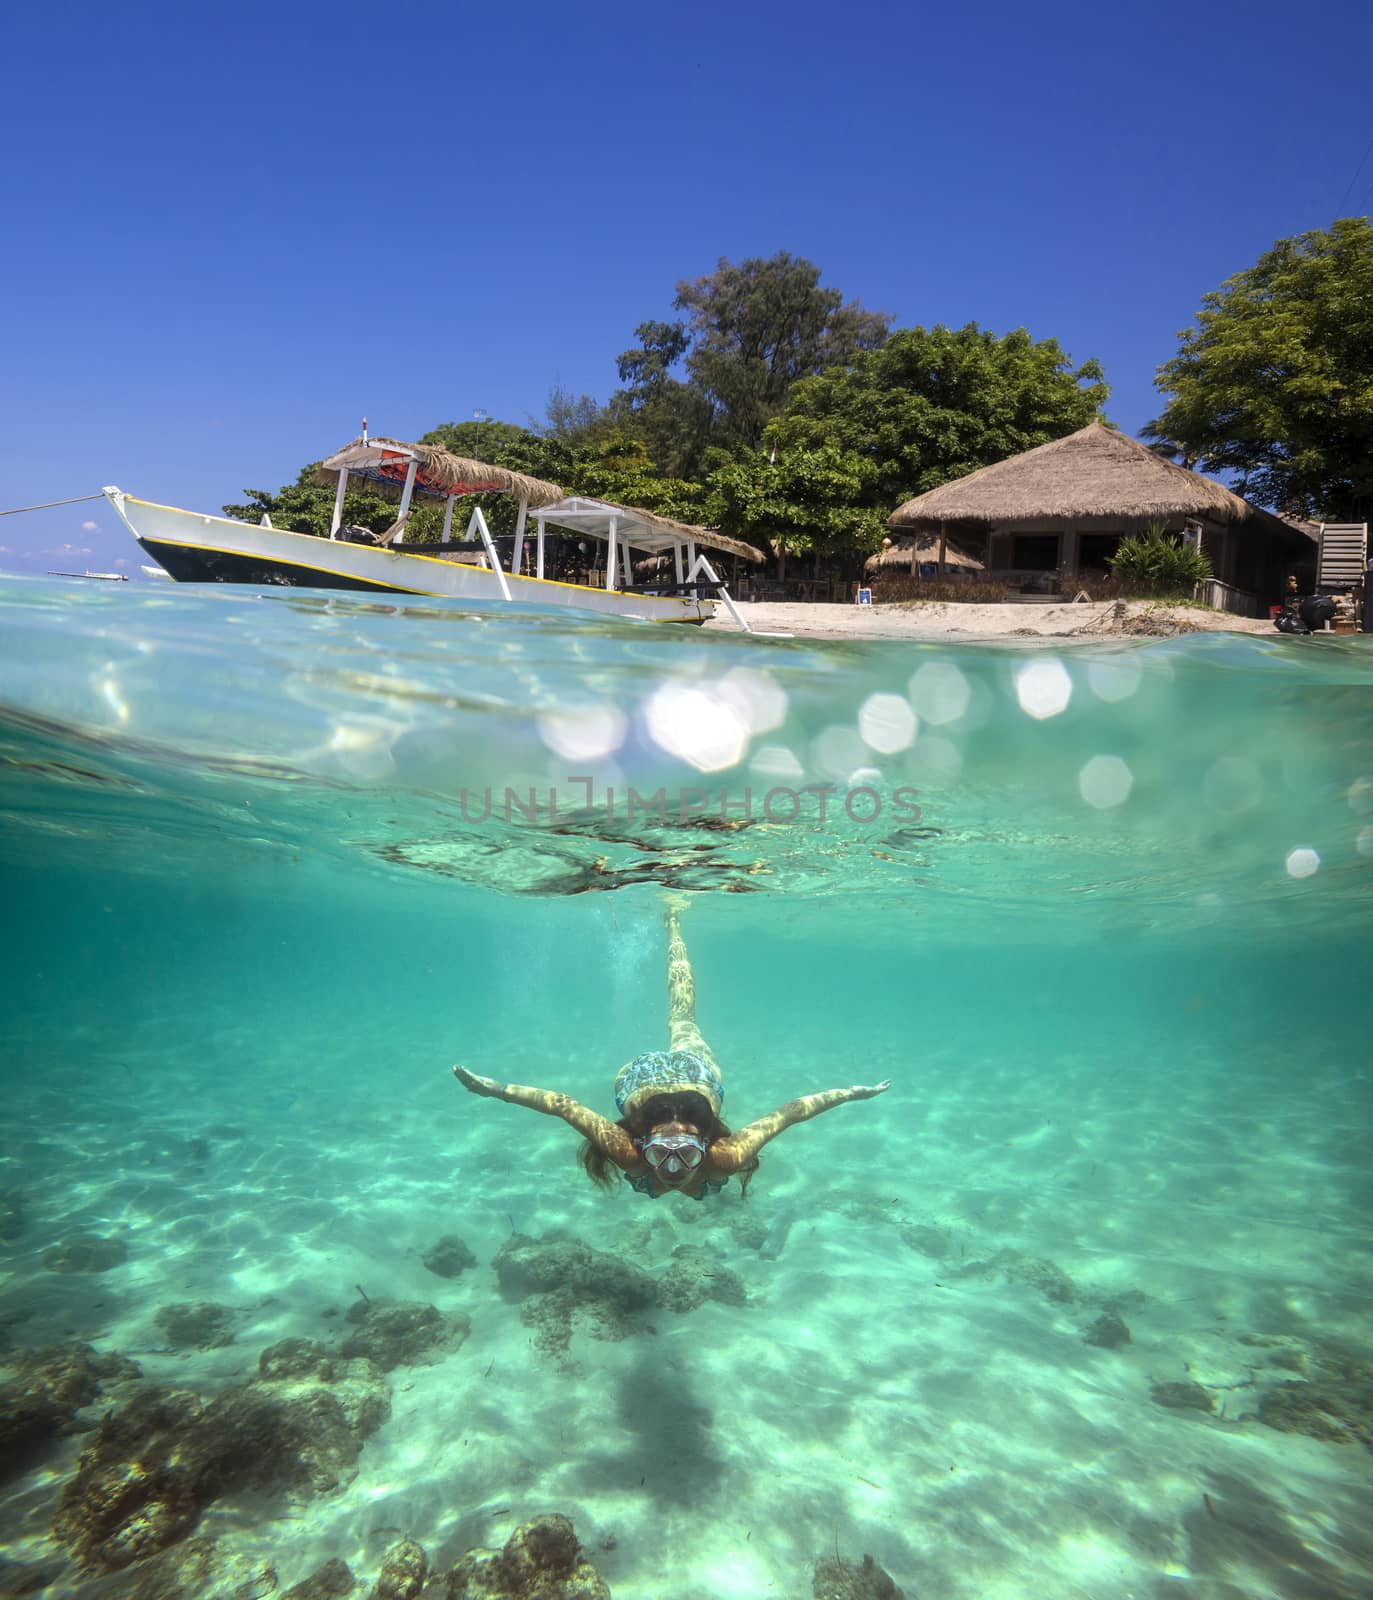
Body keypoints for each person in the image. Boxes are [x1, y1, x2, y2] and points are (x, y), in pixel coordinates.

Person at [452, 900, 890, 1199]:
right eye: (662, 1154)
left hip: (645, 1079)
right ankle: (674, 923)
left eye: (682, 1155)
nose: (674, 1168)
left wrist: (499, 1089)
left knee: (682, 1017)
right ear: (644, 1142)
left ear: (705, 1142)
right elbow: (792, 1111)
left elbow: (793, 1112)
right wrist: (495, 1090)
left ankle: (674, 923)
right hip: (691, 1073)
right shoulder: (711, 1158)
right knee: (683, 1016)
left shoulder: (655, 1156)